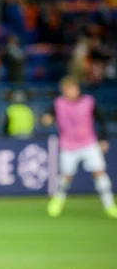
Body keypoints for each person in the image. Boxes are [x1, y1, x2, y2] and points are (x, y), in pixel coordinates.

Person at [42, 76, 117, 218]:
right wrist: (47, 119)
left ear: (77, 88)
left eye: (71, 88)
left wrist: (103, 139)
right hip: (68, 145)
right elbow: (48, 116)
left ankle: (109, 204)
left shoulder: (89, 102)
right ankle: (57, 201)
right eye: (66, 89)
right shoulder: (58, 103)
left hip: (88, 143)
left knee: (99, 172)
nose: (69, 92)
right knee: (66, 176)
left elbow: (101, 120)